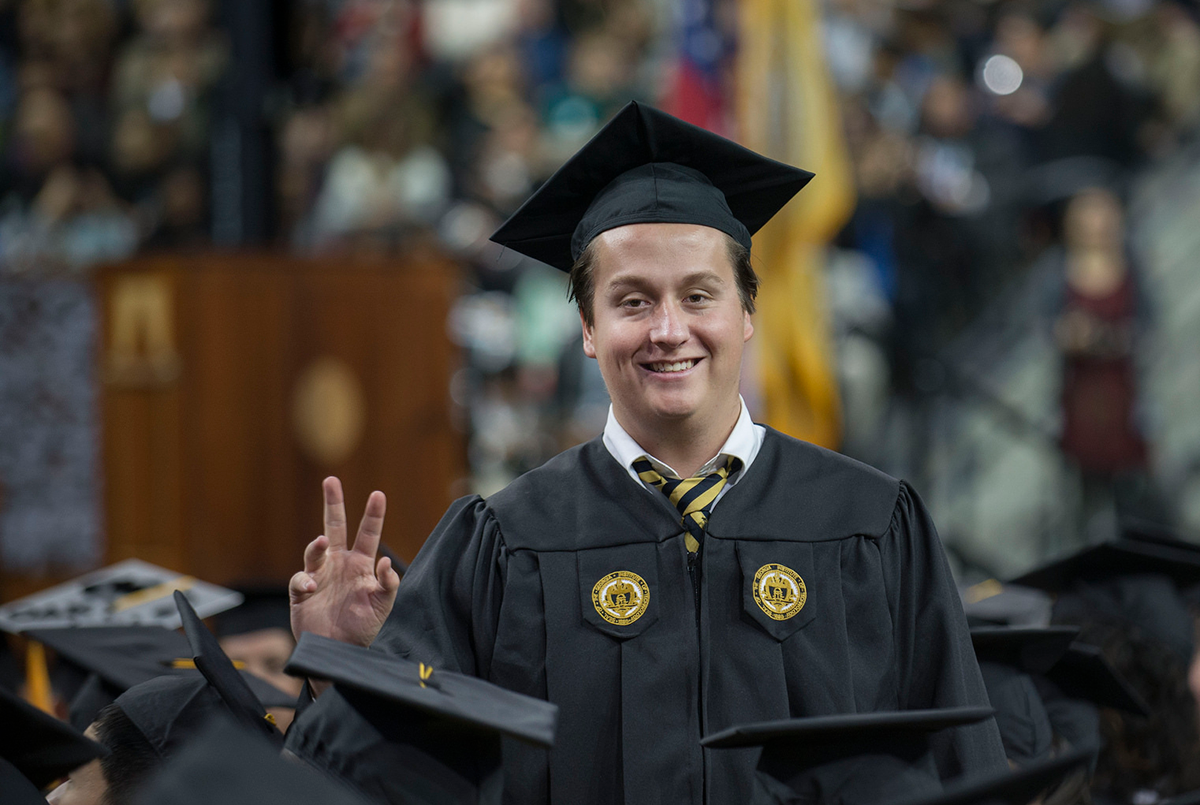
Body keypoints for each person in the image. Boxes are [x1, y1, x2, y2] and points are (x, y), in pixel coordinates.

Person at [288, 101, 1006, 804]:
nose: (669, 330)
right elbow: (389, 780)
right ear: (588, 327)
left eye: (699, 296)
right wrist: (338, 671)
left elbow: (963, 771)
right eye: (633, 301)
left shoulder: (873, 525)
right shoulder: (505, 543)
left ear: (748, 311)